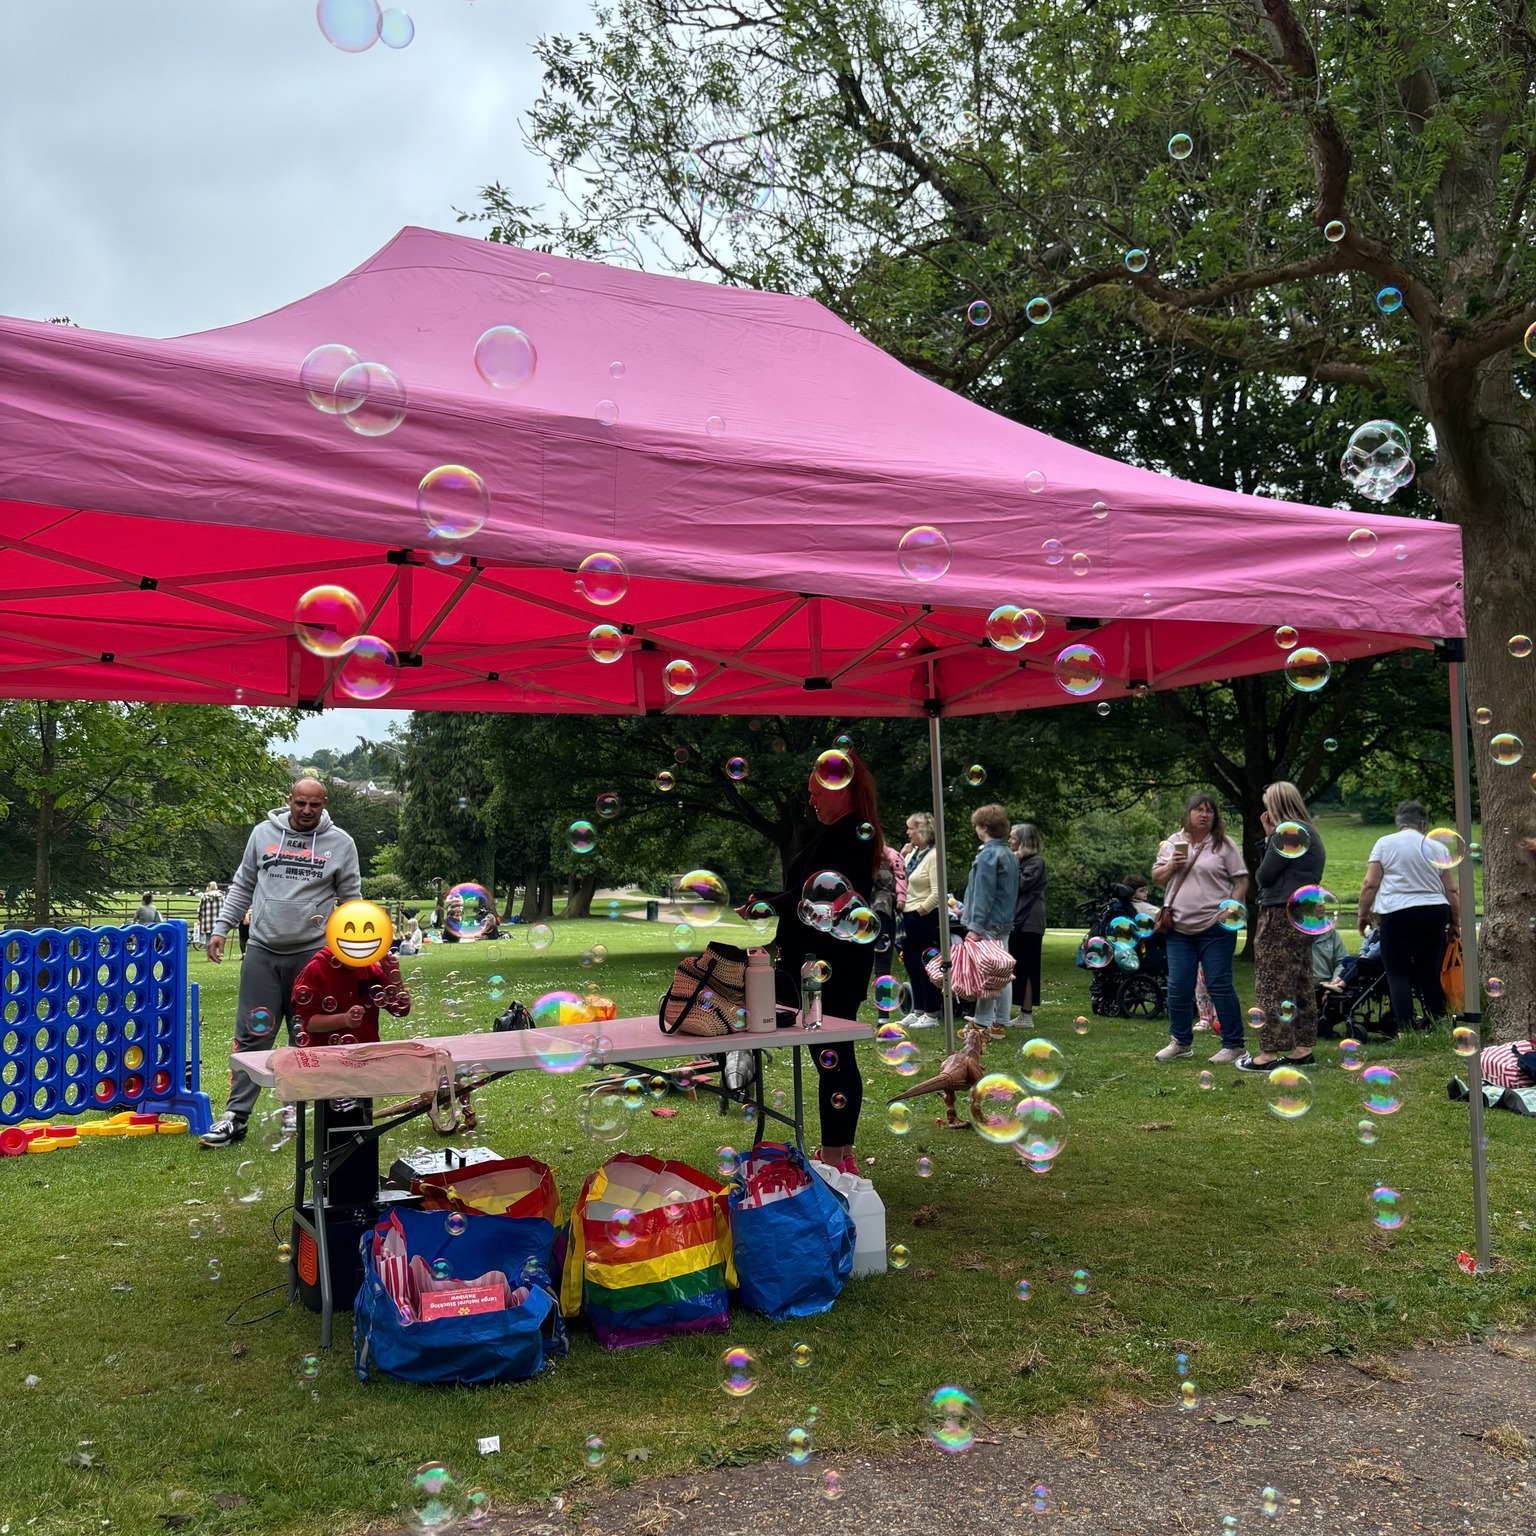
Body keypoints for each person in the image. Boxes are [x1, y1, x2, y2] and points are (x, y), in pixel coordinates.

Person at [198, 778, 363, 1147]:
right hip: (262, 949)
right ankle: (234, 1119)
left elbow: (351, 901)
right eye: (300, 803)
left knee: (305, 1034)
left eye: (314, 805)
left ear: (324, 804)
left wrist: (355, 950)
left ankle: (293, 1110)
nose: (306, 811)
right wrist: (221, 928)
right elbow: (242, 885)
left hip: (313, 955)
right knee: (252, 1034)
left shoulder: (341, 844)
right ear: (289, 800)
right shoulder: (263, 834)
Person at [747, 753, 885, 1174]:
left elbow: (822, 898)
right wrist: (766, 899)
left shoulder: (850, 835)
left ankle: (835, 1156)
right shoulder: (838, 833)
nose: (810, 801)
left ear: (838, 789)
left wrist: (769, 904)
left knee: (834, 1055)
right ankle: (840, 1155)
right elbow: (805, 893)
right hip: (820, 960)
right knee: (833, 1054)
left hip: (833, 964)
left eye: (813, 793)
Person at [1151, 792, 1249, 1064]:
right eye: (1199, 810)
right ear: (1188, 813)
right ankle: (1180, 1042)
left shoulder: (1224, 845)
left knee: (1219, 984)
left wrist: (1232, 907)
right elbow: (1157, 877)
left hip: (1215, 928)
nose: (1204, 814)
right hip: (1179, 928)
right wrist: (1171, 865)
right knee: (1179, 985)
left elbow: (1241, 880)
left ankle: (1234, 1045)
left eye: (1209, 811)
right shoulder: (1173, 842)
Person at [1236, 782, 1326, 1072]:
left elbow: (1264, 876)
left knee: (1272, 980)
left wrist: (1267, 838)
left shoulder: (1286, 832)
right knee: (1300, 979)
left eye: (1268, 804)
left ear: (1277, 804)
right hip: (1304, 913)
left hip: (1280, 912)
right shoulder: (1310, 832)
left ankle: (1268, 1054)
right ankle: (1302, 1048)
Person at [1356, 800, 1460, 1031]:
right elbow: (1451, 890)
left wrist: (1363, 913)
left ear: (1398, 823)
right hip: (1434, 911)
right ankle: (1438, 1023)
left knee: (1397, 972)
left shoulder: (1384, 844)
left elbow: (1370, 883)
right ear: (1423, 823)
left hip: (1396, 911)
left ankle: (1405, 1029)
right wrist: (1455, 922)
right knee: (1428, 970)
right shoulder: (1437, 847)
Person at [961, 804, 1017, 1040]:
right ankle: (1000, 1022)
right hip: (1003, 922)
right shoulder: (1008, 854)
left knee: (988, 974)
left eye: (976, 825)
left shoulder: (988, 855)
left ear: (984, 826)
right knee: (1002, 972)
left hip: (988, 924)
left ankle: (983, 1024)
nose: (975, 829)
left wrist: (975, 927)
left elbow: (984, 893)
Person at [898, 812, 944, 1029]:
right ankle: (917, 1010)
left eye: (911, 828)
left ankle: (931, 1012)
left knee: (927, 965)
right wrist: (901, 854)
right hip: (906, 915)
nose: (908, 832)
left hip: (922, 917)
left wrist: (919, 913)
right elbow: (898, 880)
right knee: (911, 964)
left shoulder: (934, 856)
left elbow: (937, 893)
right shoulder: (912, 854)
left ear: (923, 831)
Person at [1008, 823, 1047, 1030]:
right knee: (1017, 967)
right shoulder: (1022, 861)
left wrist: (1013, 864)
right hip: (1017, 921)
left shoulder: (1036, 862)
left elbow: (1021, 885)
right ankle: (1018, 1011)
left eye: (1013, 837)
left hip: (1029, 923)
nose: (1009, 841)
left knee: (1029, 967)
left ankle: (1027, 1014)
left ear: (1023, 841)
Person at [197, 881, 222, 946]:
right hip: (217, 921)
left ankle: (209, 954)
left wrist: (199, 918)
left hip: (207, 921)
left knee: (208, 939)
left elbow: (200, 909)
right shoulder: (221, 896)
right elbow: (224, 909)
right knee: (216, 937)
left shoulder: (204, 896)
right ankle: (216, 954)